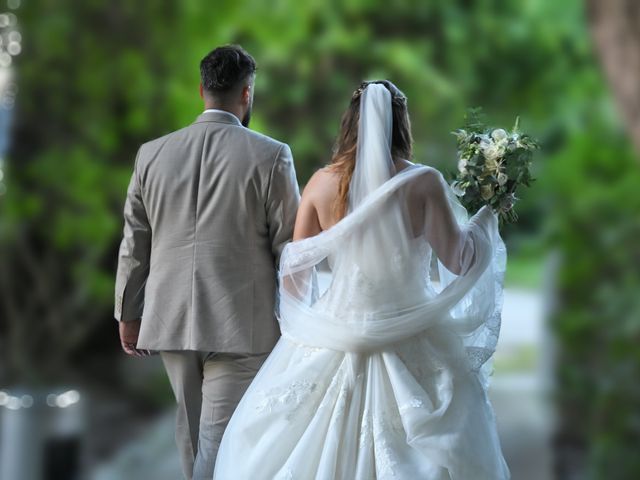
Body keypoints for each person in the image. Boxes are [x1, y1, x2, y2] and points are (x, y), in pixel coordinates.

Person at [213, 81, 510, 479]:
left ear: (349, 125)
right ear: (401, 126)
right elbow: (458, 260)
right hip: (414, 331)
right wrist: (486, 219)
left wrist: (312, 325)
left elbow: (295, 273)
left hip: (337, 328)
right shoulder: (424, 183)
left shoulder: (321, 183)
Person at [113, 45, 300, 480]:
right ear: (247, 94)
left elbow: (134, 242)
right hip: (241, 321)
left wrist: (127, 312)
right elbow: (290, 245)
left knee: (194, 435)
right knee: (219, 441)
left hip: (169, 317)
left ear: (202, 90)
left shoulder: (151, 154)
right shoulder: (272, 154)